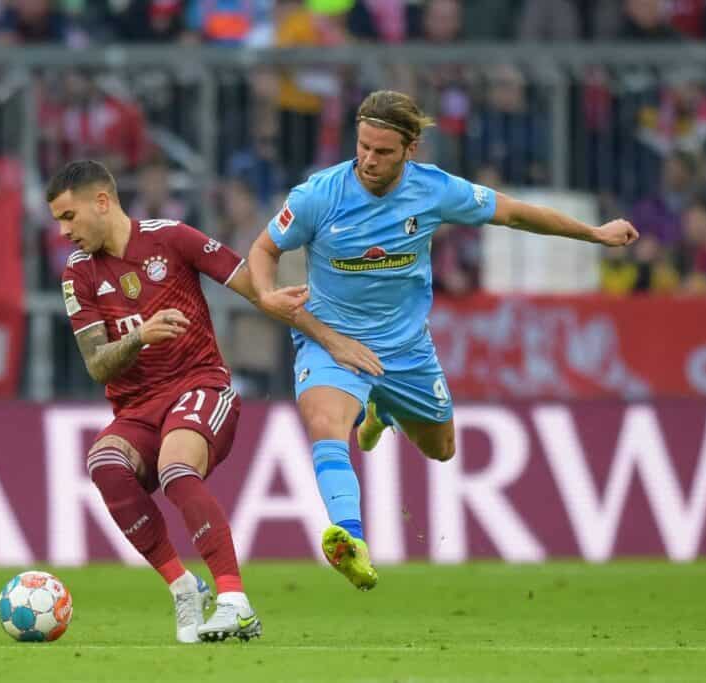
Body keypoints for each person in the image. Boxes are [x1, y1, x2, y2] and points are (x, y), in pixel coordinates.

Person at [247, 90, 640, 591]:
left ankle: (381, 411)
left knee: (442, 449)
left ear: (411, 150)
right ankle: (350, 539)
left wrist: (593, 234)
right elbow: (263, 249)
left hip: (407, 349)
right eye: (363, 146)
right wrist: (267, 293)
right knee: (326, 424)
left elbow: (514, 213)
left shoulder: (434, 190)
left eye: (383, 151)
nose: (368, 159)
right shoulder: (317, 196)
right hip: (333, 342)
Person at [47, 160, 311, 643]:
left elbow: (251, 285)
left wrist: (297, 317)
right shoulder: (78, 274)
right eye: (58, 221)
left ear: (102, 202)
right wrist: (140, 337)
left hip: (200, 385)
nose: (64, 231)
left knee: (175, 467)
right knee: (104, 463)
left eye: (69, 216)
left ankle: (234, 600)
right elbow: (97, 365)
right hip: (137, 410)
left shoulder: (171, 238)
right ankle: (183, 585)